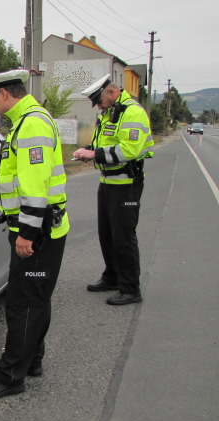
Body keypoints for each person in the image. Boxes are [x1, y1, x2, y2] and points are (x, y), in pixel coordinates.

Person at [0, 70, 70, 400]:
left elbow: (35, 189)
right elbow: (12, 178)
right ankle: (32, 360)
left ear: (4, 93)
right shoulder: (25, 122)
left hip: (37, 232)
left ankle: (10, 377)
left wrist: (28, 235)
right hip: (42, 229)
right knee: (36, 299)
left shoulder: (31, 124)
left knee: (23, 305)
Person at [73, 74, 154, 306]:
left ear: (112, 92)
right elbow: (105, 144)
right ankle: (112, 277)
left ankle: (130, 288)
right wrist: (87, 150)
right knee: (107, 234)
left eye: (99, 101)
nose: (98, 107)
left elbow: (129, 149)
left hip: (127, 184)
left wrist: (94, 154)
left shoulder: (132, 112)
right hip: (108, 182)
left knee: (123, 237)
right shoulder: (111, 113)